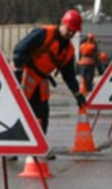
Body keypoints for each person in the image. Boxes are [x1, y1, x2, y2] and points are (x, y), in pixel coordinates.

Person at [12, 9, 87, 160]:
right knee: (18, 112)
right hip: (26, 75)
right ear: (62, 23)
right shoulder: (43, 33)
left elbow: (69, 75)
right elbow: (19, 49)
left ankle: (39, 147)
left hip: (41, 80)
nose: (70, 33)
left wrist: (77, 93)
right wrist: (18, 73)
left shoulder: (68, 50)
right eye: (69, 29)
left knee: (43, 114)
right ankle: (11, 148)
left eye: (74, 31)